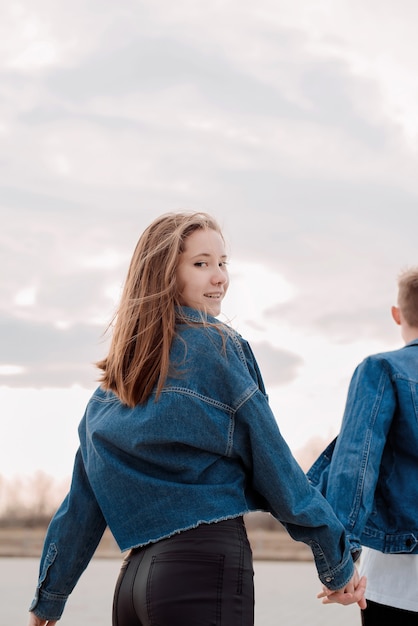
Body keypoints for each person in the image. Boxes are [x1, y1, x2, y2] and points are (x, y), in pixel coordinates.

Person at [28, 211, 366, 626]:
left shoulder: (114, 384)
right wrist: (337, 559)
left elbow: (82, 502)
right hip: (202, 569)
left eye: (223, 263)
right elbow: (273, 464)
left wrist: (49, 599)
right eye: (201, 263)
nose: (220, 277)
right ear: (164, 275)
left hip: (133, 584)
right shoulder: (216, 346)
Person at [308, 266, 418, 625]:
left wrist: (339, 564)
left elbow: (355, 465)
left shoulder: (383, 369)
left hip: (399, 580)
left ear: (397, 314)